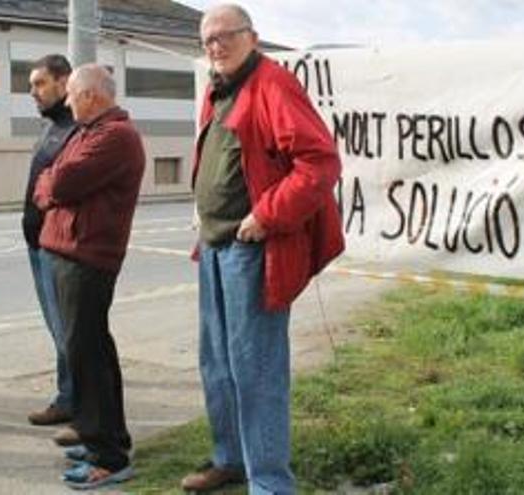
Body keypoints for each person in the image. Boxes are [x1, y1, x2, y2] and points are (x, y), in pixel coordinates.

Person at [181, 4, 344, 494]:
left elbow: (319, 162)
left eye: (227, 35)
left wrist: (265, 216)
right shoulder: (219, 89)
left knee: (255, 369)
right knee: (217, 365)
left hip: (250, 251)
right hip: (214, 247)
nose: (216, 45)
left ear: (252, 37)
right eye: (208, 38)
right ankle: (230, 459)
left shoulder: (272, 84)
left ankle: (270, 482)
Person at [34, 63, 145, 490]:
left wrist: (50, 186)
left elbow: (58, 182)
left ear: (93, 95)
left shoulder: (114, 136)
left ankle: (108, 458)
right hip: (69, 253)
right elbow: (49, 177)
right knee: (92, 351)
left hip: (86, 257)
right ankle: (106, 437)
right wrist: (50, 184)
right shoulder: (88, 132)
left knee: (86, 355)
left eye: (72, 94)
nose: (66, 100)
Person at [22, 54, 78, 427]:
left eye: (40, 84)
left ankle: (74, 402)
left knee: (67, 330)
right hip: (38, 245)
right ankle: (69, 395)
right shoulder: (50, 126)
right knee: (58, 328)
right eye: (31, 86)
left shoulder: (77, 128)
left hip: (58, 247)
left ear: (64, 82)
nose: (34, 93)